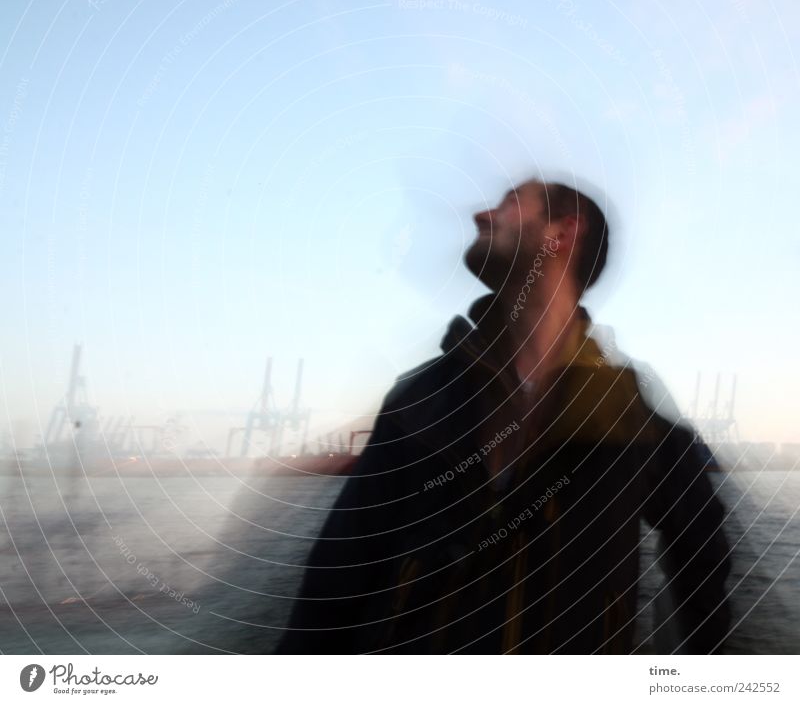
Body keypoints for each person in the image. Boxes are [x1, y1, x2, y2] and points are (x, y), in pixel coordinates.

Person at [275, 178, 730, 654]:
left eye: (511, 203)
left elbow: (702, 556)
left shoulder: (633, 412)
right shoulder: (416, 399)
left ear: (563, 232)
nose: (480, 215)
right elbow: (337, 577)